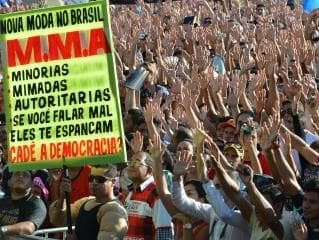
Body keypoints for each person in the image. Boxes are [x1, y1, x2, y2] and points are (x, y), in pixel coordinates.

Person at [49, 165, 128, 240]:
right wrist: (62, 197)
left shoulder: (115, 210)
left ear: (113, 182)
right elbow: (58, 219)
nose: (94, 183)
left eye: (99, 179)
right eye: (91, 178)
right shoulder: (86, 202)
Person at [121, 151, 173, 240]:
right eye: (130, 162)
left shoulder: (156, 194)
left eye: (137, 163)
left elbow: (164, 232)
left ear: (149, 170)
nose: (132, 165)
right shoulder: (129, 193)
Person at [0, 171, 47, 238]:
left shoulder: (37, 204)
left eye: (25, 175)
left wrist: (3, 230)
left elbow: (29, 227)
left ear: (32, 184)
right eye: (17, 173)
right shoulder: (2, 201)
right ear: (9, 182)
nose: (20, 176)